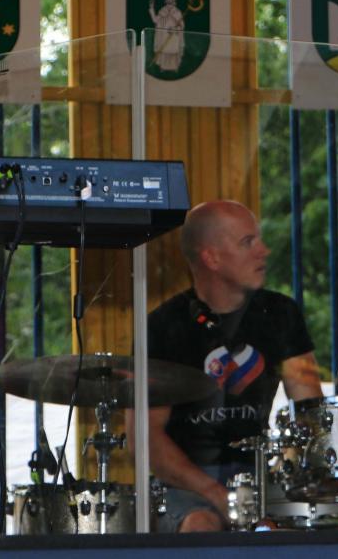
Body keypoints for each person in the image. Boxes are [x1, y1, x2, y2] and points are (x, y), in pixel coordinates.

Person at [132, 200, 323, 531]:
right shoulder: (162, 326)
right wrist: (217, 494)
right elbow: (145, 438)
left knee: (332, 522)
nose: (263, 251)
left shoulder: (281, 313)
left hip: (260, 473)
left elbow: (311, 413)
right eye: (248, 242)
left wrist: (288, 474)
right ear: (212, 258)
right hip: (186, 484)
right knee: (201, 525)